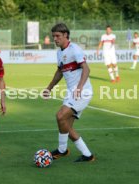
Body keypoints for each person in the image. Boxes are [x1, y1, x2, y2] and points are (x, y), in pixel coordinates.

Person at [42, 23, 95, 162]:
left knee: (60, 116)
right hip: (71, 93)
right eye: (53, 36)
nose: (55, 39)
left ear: (66, 35)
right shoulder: (59, 52)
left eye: (58, 36)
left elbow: (86, 69)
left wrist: (79, 87)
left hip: (82, 92)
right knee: (66, 126)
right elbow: (59, 72)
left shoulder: (74, 49)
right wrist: (49, 88)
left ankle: (62, 150)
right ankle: (87, 155)